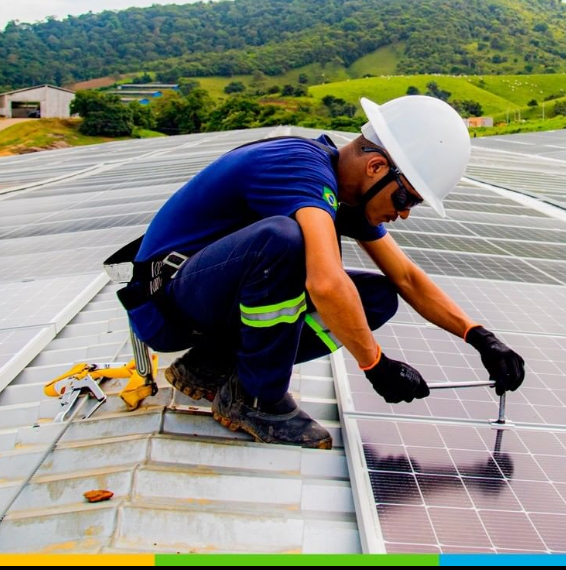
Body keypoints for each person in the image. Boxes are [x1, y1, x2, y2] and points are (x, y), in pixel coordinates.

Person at [118, 95, 525, 449]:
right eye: (406, 198)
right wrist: (376, 365)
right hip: (168, 306)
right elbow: (326, 281)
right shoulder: (301, 169)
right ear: (376, 167)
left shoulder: (344, 193)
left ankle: (216, 364)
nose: (402, 213)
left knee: (378, 298)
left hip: (209, 299)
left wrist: (481, 339)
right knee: (284, 242)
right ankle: (257, 398)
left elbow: (406, 278)